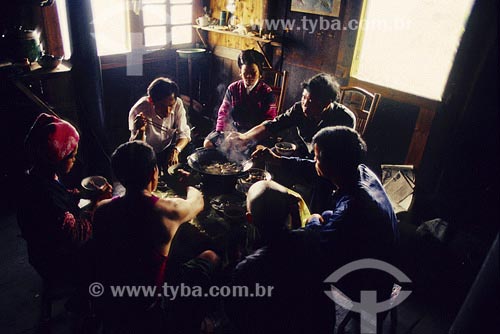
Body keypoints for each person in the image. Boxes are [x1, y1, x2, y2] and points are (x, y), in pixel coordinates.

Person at [92, 141, 219, 333]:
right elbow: (197, 201)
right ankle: (195, 320)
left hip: (111, 300)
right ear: (154, 172)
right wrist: (189, 184)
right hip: (148, 308)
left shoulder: (101, 210)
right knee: (211, 255)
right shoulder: (167, 211)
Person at [305, 126, 399, 331]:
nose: (314, 162)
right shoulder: (362, 172)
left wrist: (313, 220)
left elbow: (319, 244)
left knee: (309, 267)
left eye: (317, 157)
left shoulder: (352, 207)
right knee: (327, 216)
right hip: (387, 260)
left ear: (332, 164)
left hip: (371, 285)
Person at [226, 180, 333, 334]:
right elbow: (310, 229)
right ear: (290, 212)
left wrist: (233, 261)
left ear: (249, 218)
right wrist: (311, 219)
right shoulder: (313, 239)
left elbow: (236, 315)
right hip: (321, 325)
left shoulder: (247, 269)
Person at [17, 113, 111, 283]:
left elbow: (60, 200)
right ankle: (88, 297)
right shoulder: (45, 196)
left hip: (43, 252)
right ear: (55, 158)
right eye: (71, 156)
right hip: (58, 263)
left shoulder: (38, 175)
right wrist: (97, 204)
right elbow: (77, 236)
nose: (75, 159)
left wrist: (80, 195)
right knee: (113, 244)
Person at [226, 73, 355, 156]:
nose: (305, 104)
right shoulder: (299, 109)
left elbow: (331, 159)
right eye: (304, 97)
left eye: (311, 101)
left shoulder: (344, 119)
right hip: (305, 157)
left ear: (326, 103)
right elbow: (273, 125)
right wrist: (245, 137)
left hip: (327, 166)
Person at [203, 49, 277, 148]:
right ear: (240, 72)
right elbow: (223, 112)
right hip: (234, 130)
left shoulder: (266, 92)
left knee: (257, 152)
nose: (249, 76)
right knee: (208, 144)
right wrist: (223, 132)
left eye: (253, 73)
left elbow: (269, 121)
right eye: (245, 72)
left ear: (260, 73)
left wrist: (248, 136)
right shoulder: (233, 88)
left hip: (255, 135)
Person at [129, 77, 191, 171]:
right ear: (151, 101)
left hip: (167, 147)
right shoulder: (139, 110)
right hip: (145, 152)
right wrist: (140, 131)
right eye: (162, 106)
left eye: (170, 106)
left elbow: (184, 133)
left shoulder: (178, 104)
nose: (167, 112)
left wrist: (176, 150)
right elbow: (137, 148)